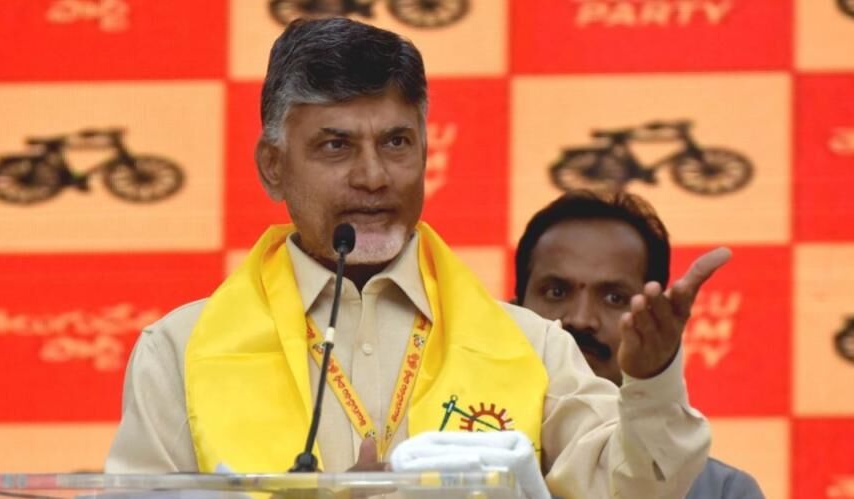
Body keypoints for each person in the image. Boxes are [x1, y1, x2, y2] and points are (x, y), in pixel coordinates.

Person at [107, 17, 718, 498]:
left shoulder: (530, 344)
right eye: (336, 146)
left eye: (396, 142)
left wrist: (652, 379)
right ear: (273, 168)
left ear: (426, 152)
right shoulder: (180, 351)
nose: (373, 176)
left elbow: (634, 486)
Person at [514, 190, 764, 498]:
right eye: (556, 292)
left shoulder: (720, 491)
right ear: (515, 311)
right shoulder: (468, 460)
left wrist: (654, 378)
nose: (581, 319)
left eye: (614, 297)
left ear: (652, 314)